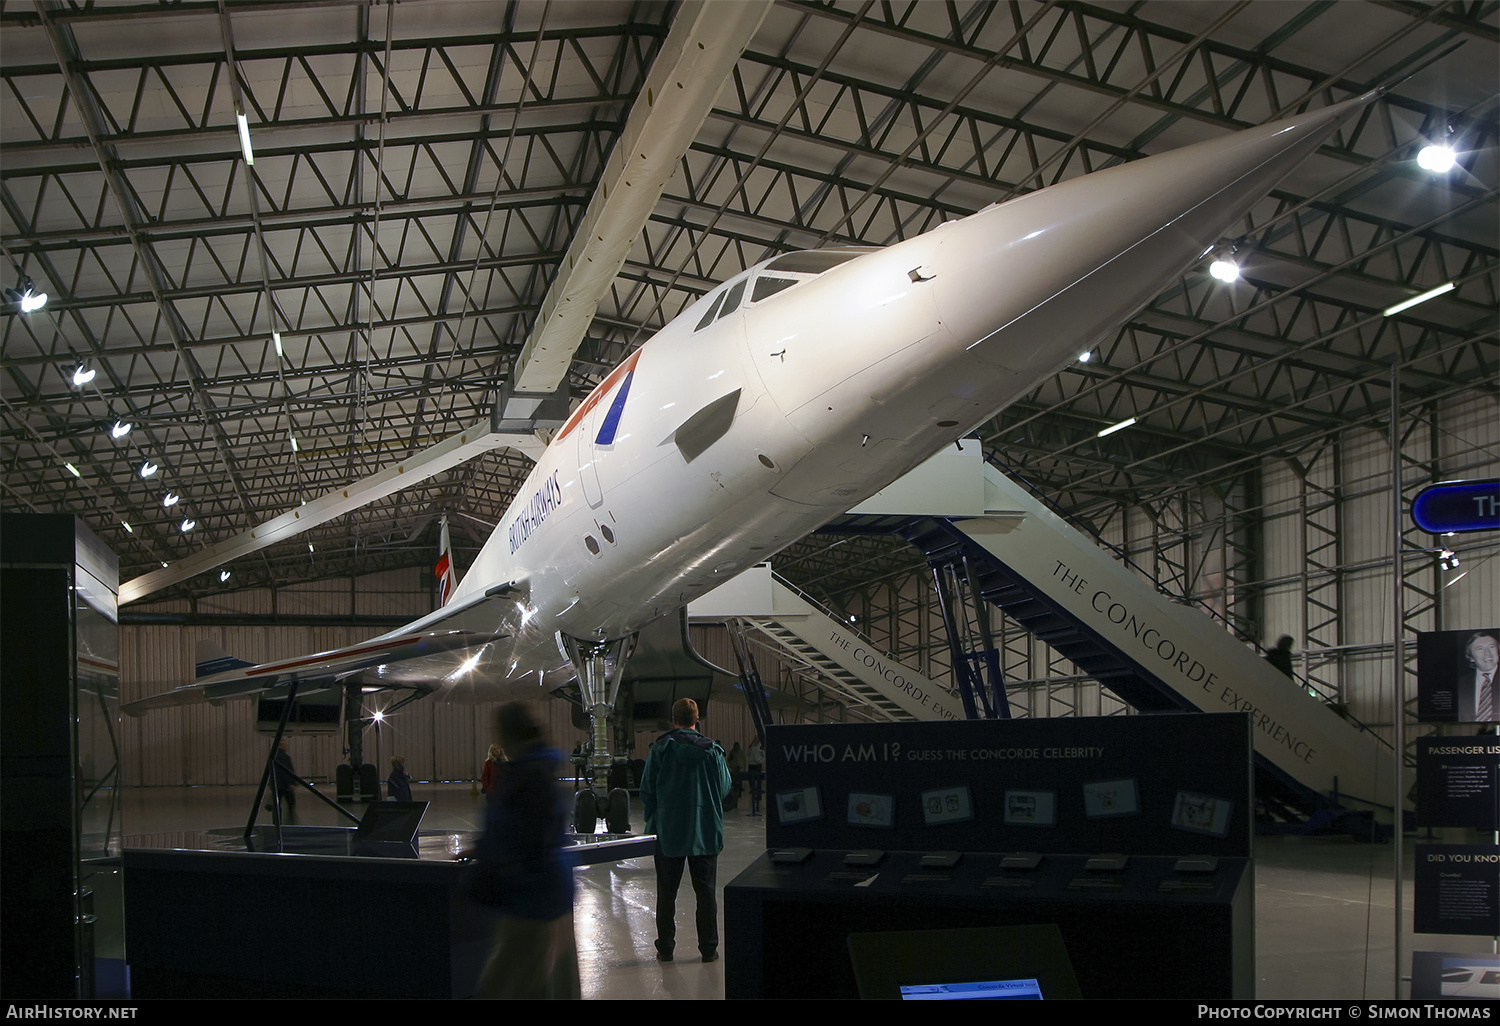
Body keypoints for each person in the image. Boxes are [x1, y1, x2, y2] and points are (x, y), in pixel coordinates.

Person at [472, 703, 579, 999]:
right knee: (555, 984)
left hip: (531, 900)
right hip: (555, 893)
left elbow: (515, 835)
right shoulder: (543, 769)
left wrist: (485, 863)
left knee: (506, 984)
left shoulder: (523, 776)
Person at [640, 698, 731, 963]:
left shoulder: (660, 749)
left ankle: (666, 948)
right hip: (705, 832)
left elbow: (647, 791)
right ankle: (708, 949)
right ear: (697, 719)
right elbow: (725, 787)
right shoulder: (713, 751)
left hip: (669, 833)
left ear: (674, 719)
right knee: (706, 893)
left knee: (667, 894)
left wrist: (656, 819)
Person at [1458, 630, 1499, 723]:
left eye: (1491, 647)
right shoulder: (1460, 685)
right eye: (1480, 649)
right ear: (1471, 657)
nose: (1487, 654)